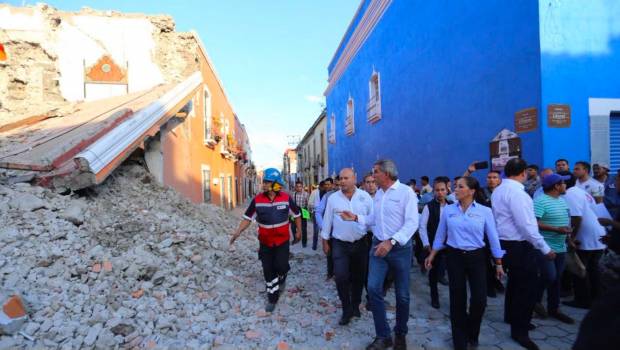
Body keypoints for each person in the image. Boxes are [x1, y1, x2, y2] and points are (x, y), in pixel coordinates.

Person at [341, 159, 419, 350]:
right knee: (374, 289)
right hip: (378, 247)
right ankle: (383, 335)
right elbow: (373, 220)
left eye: (375, 172)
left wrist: (391, 241)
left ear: (387, 173)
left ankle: (400, 333)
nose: (372, 176)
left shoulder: (405, 193)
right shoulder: (378, 195)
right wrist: (356, 217)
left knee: (402, 296)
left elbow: (412, 223)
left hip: (399, 249)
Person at [425, 176, 504, 350]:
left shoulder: (484, 211)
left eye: (460, 187)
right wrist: (432, 255)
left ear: (472, 191)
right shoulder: (449, 210)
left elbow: (493, 237)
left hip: (477, 257)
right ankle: (459, 339)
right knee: (457, 299)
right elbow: (440, 235)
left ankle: (472, 333)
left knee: (479, 300)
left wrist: (498, 262)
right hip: (454, 257)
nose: (455, 190)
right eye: (455, 186)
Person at [491, 158, 555, 350]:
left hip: (505, 243)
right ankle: (520, 331)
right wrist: (544, 248)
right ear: (523, 173)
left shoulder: (499, 190)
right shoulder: (518, 194)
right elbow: (527, 225)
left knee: (515, 284)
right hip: (519, 244)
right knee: (526, 288)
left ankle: (511, 317)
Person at [229, 168, 301, 312]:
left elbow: (297, 214)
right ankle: (272, 298)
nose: (265, 185)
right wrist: (237, 233)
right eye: (264, 182)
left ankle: (283, 274)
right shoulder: (257, 200)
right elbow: (247, 218)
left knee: (281, 266)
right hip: (265, 243)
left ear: (276, 184)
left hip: (282, 242)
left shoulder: (286, 199)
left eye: (268, 182)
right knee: (268, 270)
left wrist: (298, 231)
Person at [321, 168, 373, 325]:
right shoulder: (333, 199)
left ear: (354, 178)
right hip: (339, 244)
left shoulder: (365, 197)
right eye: (340, 178)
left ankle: (355, 305)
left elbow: (373, 219)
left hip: (361, 243)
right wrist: (324, 241)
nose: (342, 181)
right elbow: (327, 220)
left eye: (346, 178)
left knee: (359, 276)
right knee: (341, 276)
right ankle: (346, 308)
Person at [532, 173, 575, 324]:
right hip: (545, 247)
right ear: (556, 186)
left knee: (557, 279)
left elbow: (566, 222)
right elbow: (534, 224)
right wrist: (556, 229)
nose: (565, 186)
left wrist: (569, 239)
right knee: (549, 276)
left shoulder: (562, 201)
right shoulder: (540, 201)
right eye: (563, 183)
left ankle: (554, 309)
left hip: (561, 246)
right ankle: (534, 300)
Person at [562, 171, 607, 309]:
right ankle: (596, 298)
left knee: (580, 269)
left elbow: (577, 218)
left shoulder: (570, 194)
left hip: (586, 235)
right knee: (593, 269)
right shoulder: (580, 191)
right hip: (597, 232)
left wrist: (571, 238)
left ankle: (582, 300)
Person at [419, 178, 453, 309]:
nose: (440, 193)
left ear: (447, 190)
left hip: (450, 246)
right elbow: (422, 226)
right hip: (434, 246)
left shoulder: (453, 206)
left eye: (442, 190)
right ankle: (435, 298)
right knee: (432, 273)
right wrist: (426, 244)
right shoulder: (429, 207)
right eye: (437, 190)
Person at [316, 176, 340, 279]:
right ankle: (331, 273)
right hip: (331, 233)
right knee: (330, 254)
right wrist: (324, 227)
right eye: (338, 184)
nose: (340, 186)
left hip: (347, 235)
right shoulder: (328, 196)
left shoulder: (354, 196)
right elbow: (318, 212)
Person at [292, 181, 310, 248]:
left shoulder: (306, 194)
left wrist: (307, 213)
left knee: (304, 228)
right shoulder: (293, 194)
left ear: (302, 187)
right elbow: (292, 204)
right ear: (295, 187)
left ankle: (304, 242)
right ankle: (296, 238)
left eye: (300, 186)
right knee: (293, 227)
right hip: (295, 211)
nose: (298, 188)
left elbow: (308, 204)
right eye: (297, 186)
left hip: (304, 210)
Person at [308, 183, 322, 250]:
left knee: (324, 230)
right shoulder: (314, 192)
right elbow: (310, 203)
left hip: (324, 214)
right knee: (316, 231)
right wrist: (317, 207)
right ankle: (314, 246)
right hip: (316, 213)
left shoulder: (326, 193)